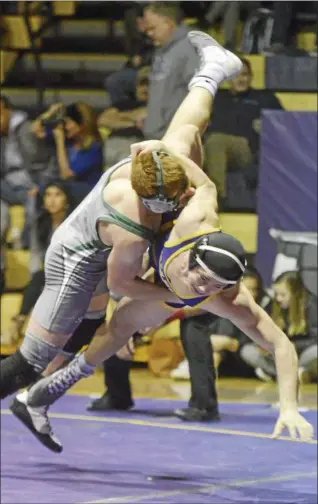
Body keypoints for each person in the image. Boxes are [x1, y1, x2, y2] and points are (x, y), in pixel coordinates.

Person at [9, 32, 313, 452]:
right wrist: (158, 154)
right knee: (182, 134)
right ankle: (210, 72)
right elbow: (200, 183)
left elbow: (280, 344)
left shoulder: (226, 297)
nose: (204, 288)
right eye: (200, 278)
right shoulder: (192, 214)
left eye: (213, 288)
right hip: (140, 258)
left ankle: (40, 395)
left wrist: (288, 406)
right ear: (192, 254)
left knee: (117, 330)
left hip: (159, 284)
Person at [0, 32, 242, 407]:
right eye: (158, 207)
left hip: (105, 250)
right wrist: (175, 297)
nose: (168, 209)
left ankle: (212, 69)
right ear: (145, 198)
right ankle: (32, 392)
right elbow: (121, 283)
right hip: (76, 264)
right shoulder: (131, 226)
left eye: (175, 199)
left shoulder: (168, 170)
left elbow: (194, 126)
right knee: (28, 364)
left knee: (187, 129)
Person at [1, 181, 75, 346]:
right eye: (48, 195)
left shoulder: (75, 223)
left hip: (73, 272)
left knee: (41, 278)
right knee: (38, 277)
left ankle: (17, 325)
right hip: (48, 275)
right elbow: (35, 254)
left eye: (57, 195)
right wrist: (39, 273)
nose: (52, 200)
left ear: (67, 200)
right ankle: (18, 324)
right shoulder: (40, 223)